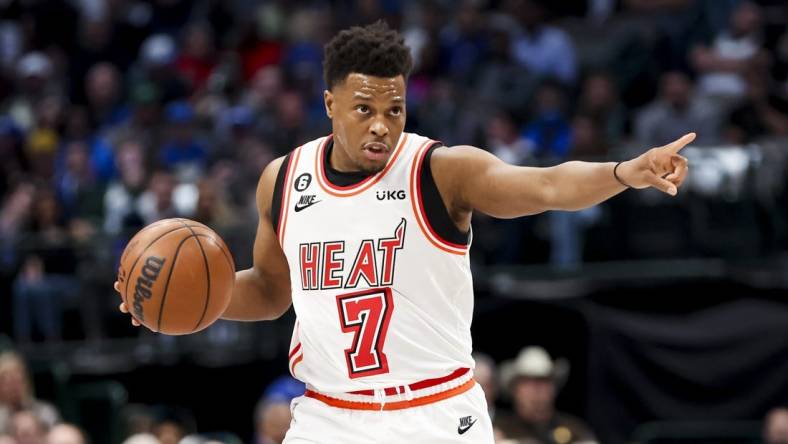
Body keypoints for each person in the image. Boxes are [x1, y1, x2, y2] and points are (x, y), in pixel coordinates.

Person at [117, 21, 692, 443]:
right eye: (364, 109)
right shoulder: (284, 179)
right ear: (329, 104)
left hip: (435, 414)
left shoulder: (439, 171)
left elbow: (544, 186)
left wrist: (623, 172)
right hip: (329, 415)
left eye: (394, 110)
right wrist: (183, 303)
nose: (382, 125)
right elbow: (269, 294)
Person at [495, 346, 596, 443]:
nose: (537, 389)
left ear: (554, 388)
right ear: (514, 390)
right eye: (528, 383)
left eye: (543, 382)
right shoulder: (497, 430)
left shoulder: (575, 430)